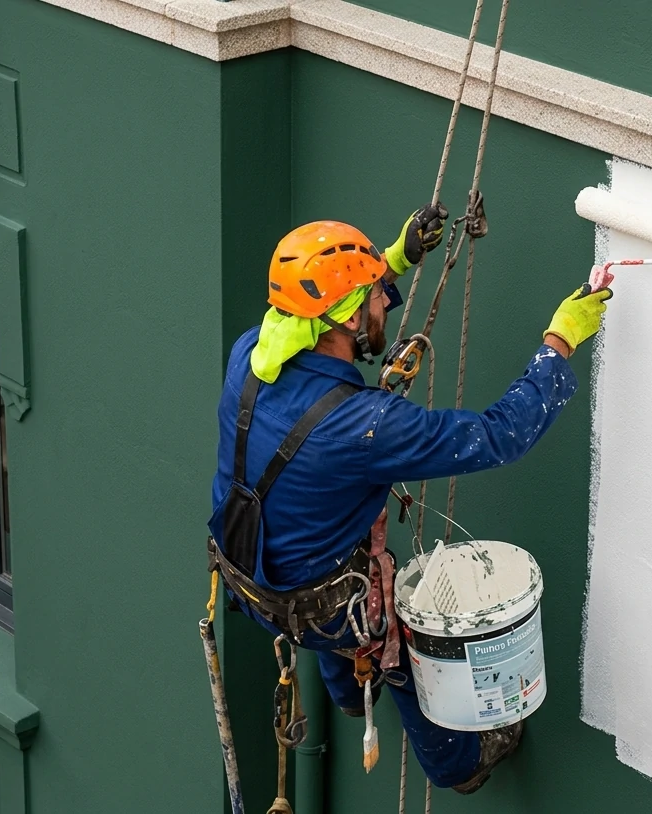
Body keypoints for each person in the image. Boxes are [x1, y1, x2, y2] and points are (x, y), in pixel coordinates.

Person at [207, 203, 612, 794]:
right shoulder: (367, 426)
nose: (383, 303)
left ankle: (348, 694)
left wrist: (397, 260)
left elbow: (334, 320)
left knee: (325, 585)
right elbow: (498, 436)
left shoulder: (250, 354)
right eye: (375, 294)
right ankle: (458, 765)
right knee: (394, 640)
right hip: (317, 604)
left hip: (246, 578)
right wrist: (560, 341)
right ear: (346, 318)